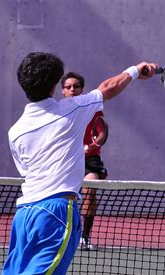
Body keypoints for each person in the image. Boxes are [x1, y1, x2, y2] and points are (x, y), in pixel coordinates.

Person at [1, 52, 156, 275]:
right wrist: (135, 69)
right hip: (56, 214)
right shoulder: (71, 109)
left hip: (25, 213)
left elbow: (26, 168)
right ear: (55, 85)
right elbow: (108, 88)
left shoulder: (15, 131)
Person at [60, 72, 107, 251]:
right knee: (62, 197)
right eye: (68, 87)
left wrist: (90, 146)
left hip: (89, 159)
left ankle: (84, 237)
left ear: (82, 89)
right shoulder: (57, 110)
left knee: (90, 189)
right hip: (65, 160)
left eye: (76, 86)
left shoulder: (92, 108)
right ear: (63, 91)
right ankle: (63, 234)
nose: (73, 89)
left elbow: (101, 132)